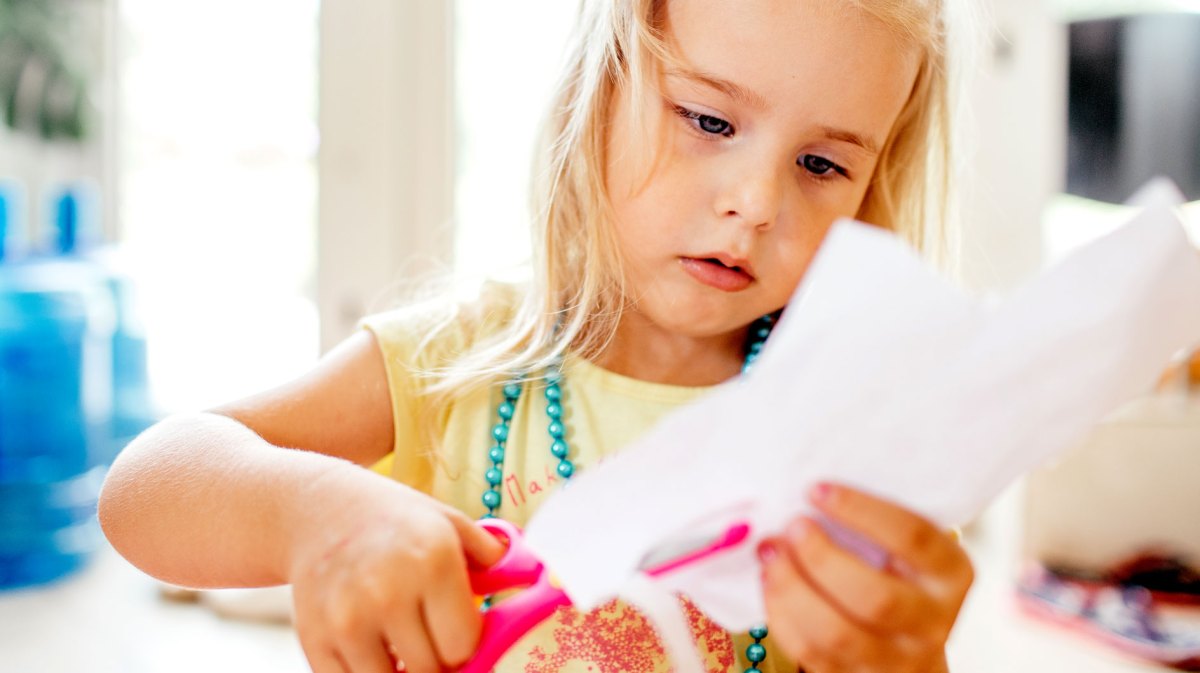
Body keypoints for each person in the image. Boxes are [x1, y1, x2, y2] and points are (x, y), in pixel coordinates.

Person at [99, 0, 976, 671]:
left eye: (822, 164)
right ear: (598, 91)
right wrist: (318, 515)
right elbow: (144, 487)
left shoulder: (845, 441)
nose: (756, 201)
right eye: (709, 120)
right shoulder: (451, 363)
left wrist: (907, 654)